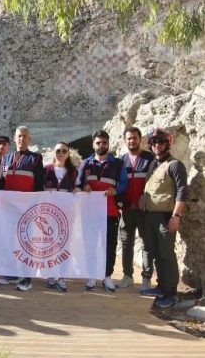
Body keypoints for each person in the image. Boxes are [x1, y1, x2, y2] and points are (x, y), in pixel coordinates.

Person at [140, 128, 188, 308]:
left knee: (167, 254)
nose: (157, 145)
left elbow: (182, 191)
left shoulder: (175, 165)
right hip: (150, 215)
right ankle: (161, 287)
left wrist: (176, 215)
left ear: (167, 143)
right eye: (154, 142)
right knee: (156, 253)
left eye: (160, 142)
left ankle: (171, 293)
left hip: (166, 216)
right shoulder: (154, 164)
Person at [0, 126, 44, 291]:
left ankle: (26, 277)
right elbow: (1, 182)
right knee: (11, 241)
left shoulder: (36, 159)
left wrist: (34, 207)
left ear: (29, 139)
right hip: (9, 209)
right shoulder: (6, 158)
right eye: (19, 136)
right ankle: (13, 273)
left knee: (26, 243)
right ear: (14, 139)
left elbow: (38, 185)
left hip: (27, 209)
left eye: (24, 136)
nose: (21, 139)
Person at [77, 130, 128, 292]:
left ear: (108, 143)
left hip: (110, 212)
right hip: (90, 212)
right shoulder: (85, 163)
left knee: (109, 245)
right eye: (98, 143)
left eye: (104, 142)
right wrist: (83, 186)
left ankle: (107, 276)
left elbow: (125, 183)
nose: (101, 145)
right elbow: (78, 183)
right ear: (93, 144)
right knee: (90, 244)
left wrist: (116, 190)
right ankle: (92, 275)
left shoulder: (118, 164)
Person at [118, 126, 156, 290]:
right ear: (125, 141)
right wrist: (118, 202)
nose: (132, 141)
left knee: (147, 244)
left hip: (144, 210)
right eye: (129, 138)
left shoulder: (150, 159)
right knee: (127, 244)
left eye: (135, 138)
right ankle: (127, 276)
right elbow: (118, 185)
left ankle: (146, 278)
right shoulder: (120, 161)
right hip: (126, 209)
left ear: (140, 139)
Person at [43, 142, 79, 292]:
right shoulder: (45, 170)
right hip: (50, 214)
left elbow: (78, 187)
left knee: (64, 245)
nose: (61, 153)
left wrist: (78, 189)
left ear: (68, 153)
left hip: (66, 214)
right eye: (58, 150)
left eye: (64, 151)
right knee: (50, 244)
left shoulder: (73, 172)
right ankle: (51, 273)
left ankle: (62, 275)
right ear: (54, 153)